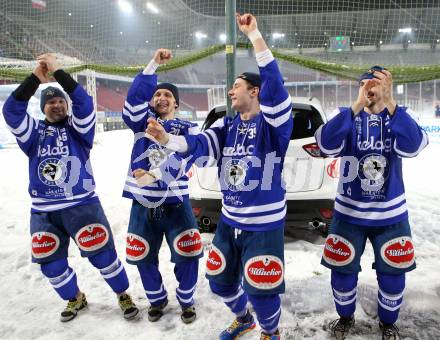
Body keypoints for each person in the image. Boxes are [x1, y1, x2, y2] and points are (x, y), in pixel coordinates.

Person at [143, 13, 293, 340]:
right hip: (228, 221)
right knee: (219, 281)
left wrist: (253, 35)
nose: (230, 92)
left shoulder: (274, 126)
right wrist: (167, 140)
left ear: (255, 91)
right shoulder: (227, 125)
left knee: (263, 292)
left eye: (236, 86)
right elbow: (200, 145)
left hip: (264, 226)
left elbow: (276, 86)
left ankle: (271, 332)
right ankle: (243, 320)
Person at [2, 54, 139, 322]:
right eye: (50, 102)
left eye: (60, 101)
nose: (56, 105)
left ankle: (123, 294)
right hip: (44, 212)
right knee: (51, 265)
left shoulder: (79, 130)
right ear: (43, 108)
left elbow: (84, 104)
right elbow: (11, 111)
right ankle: (75, 297)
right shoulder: (32, 134)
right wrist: (35, 80)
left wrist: (59, 73)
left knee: (104, 258)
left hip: (82, 206)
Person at [315, 66, 429, 340]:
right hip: (348, 215)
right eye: (365, 83)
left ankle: (388, 323)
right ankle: (345, 318)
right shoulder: (347, 117)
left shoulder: (398, 118)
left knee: (393, 277)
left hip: (391, 217)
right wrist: (355, 106)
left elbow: (413, 146)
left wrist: (390, 103)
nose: (370, 88)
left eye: (377, 83)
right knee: (341, 274)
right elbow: (324, 145)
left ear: (388, 86)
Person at [121, 48, 203, 324]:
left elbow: (188, 157)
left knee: (188, 253)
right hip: (142, 202)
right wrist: (153, 63)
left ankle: (187, 300)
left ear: (176, 104)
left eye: (168, 95)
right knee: (142, 254)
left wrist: (155, 174)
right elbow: (134, 98)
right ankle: (156, 300)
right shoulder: (139, 122)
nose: (161, 97)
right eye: (157, 94)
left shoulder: (188, 128)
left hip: (176, 202)